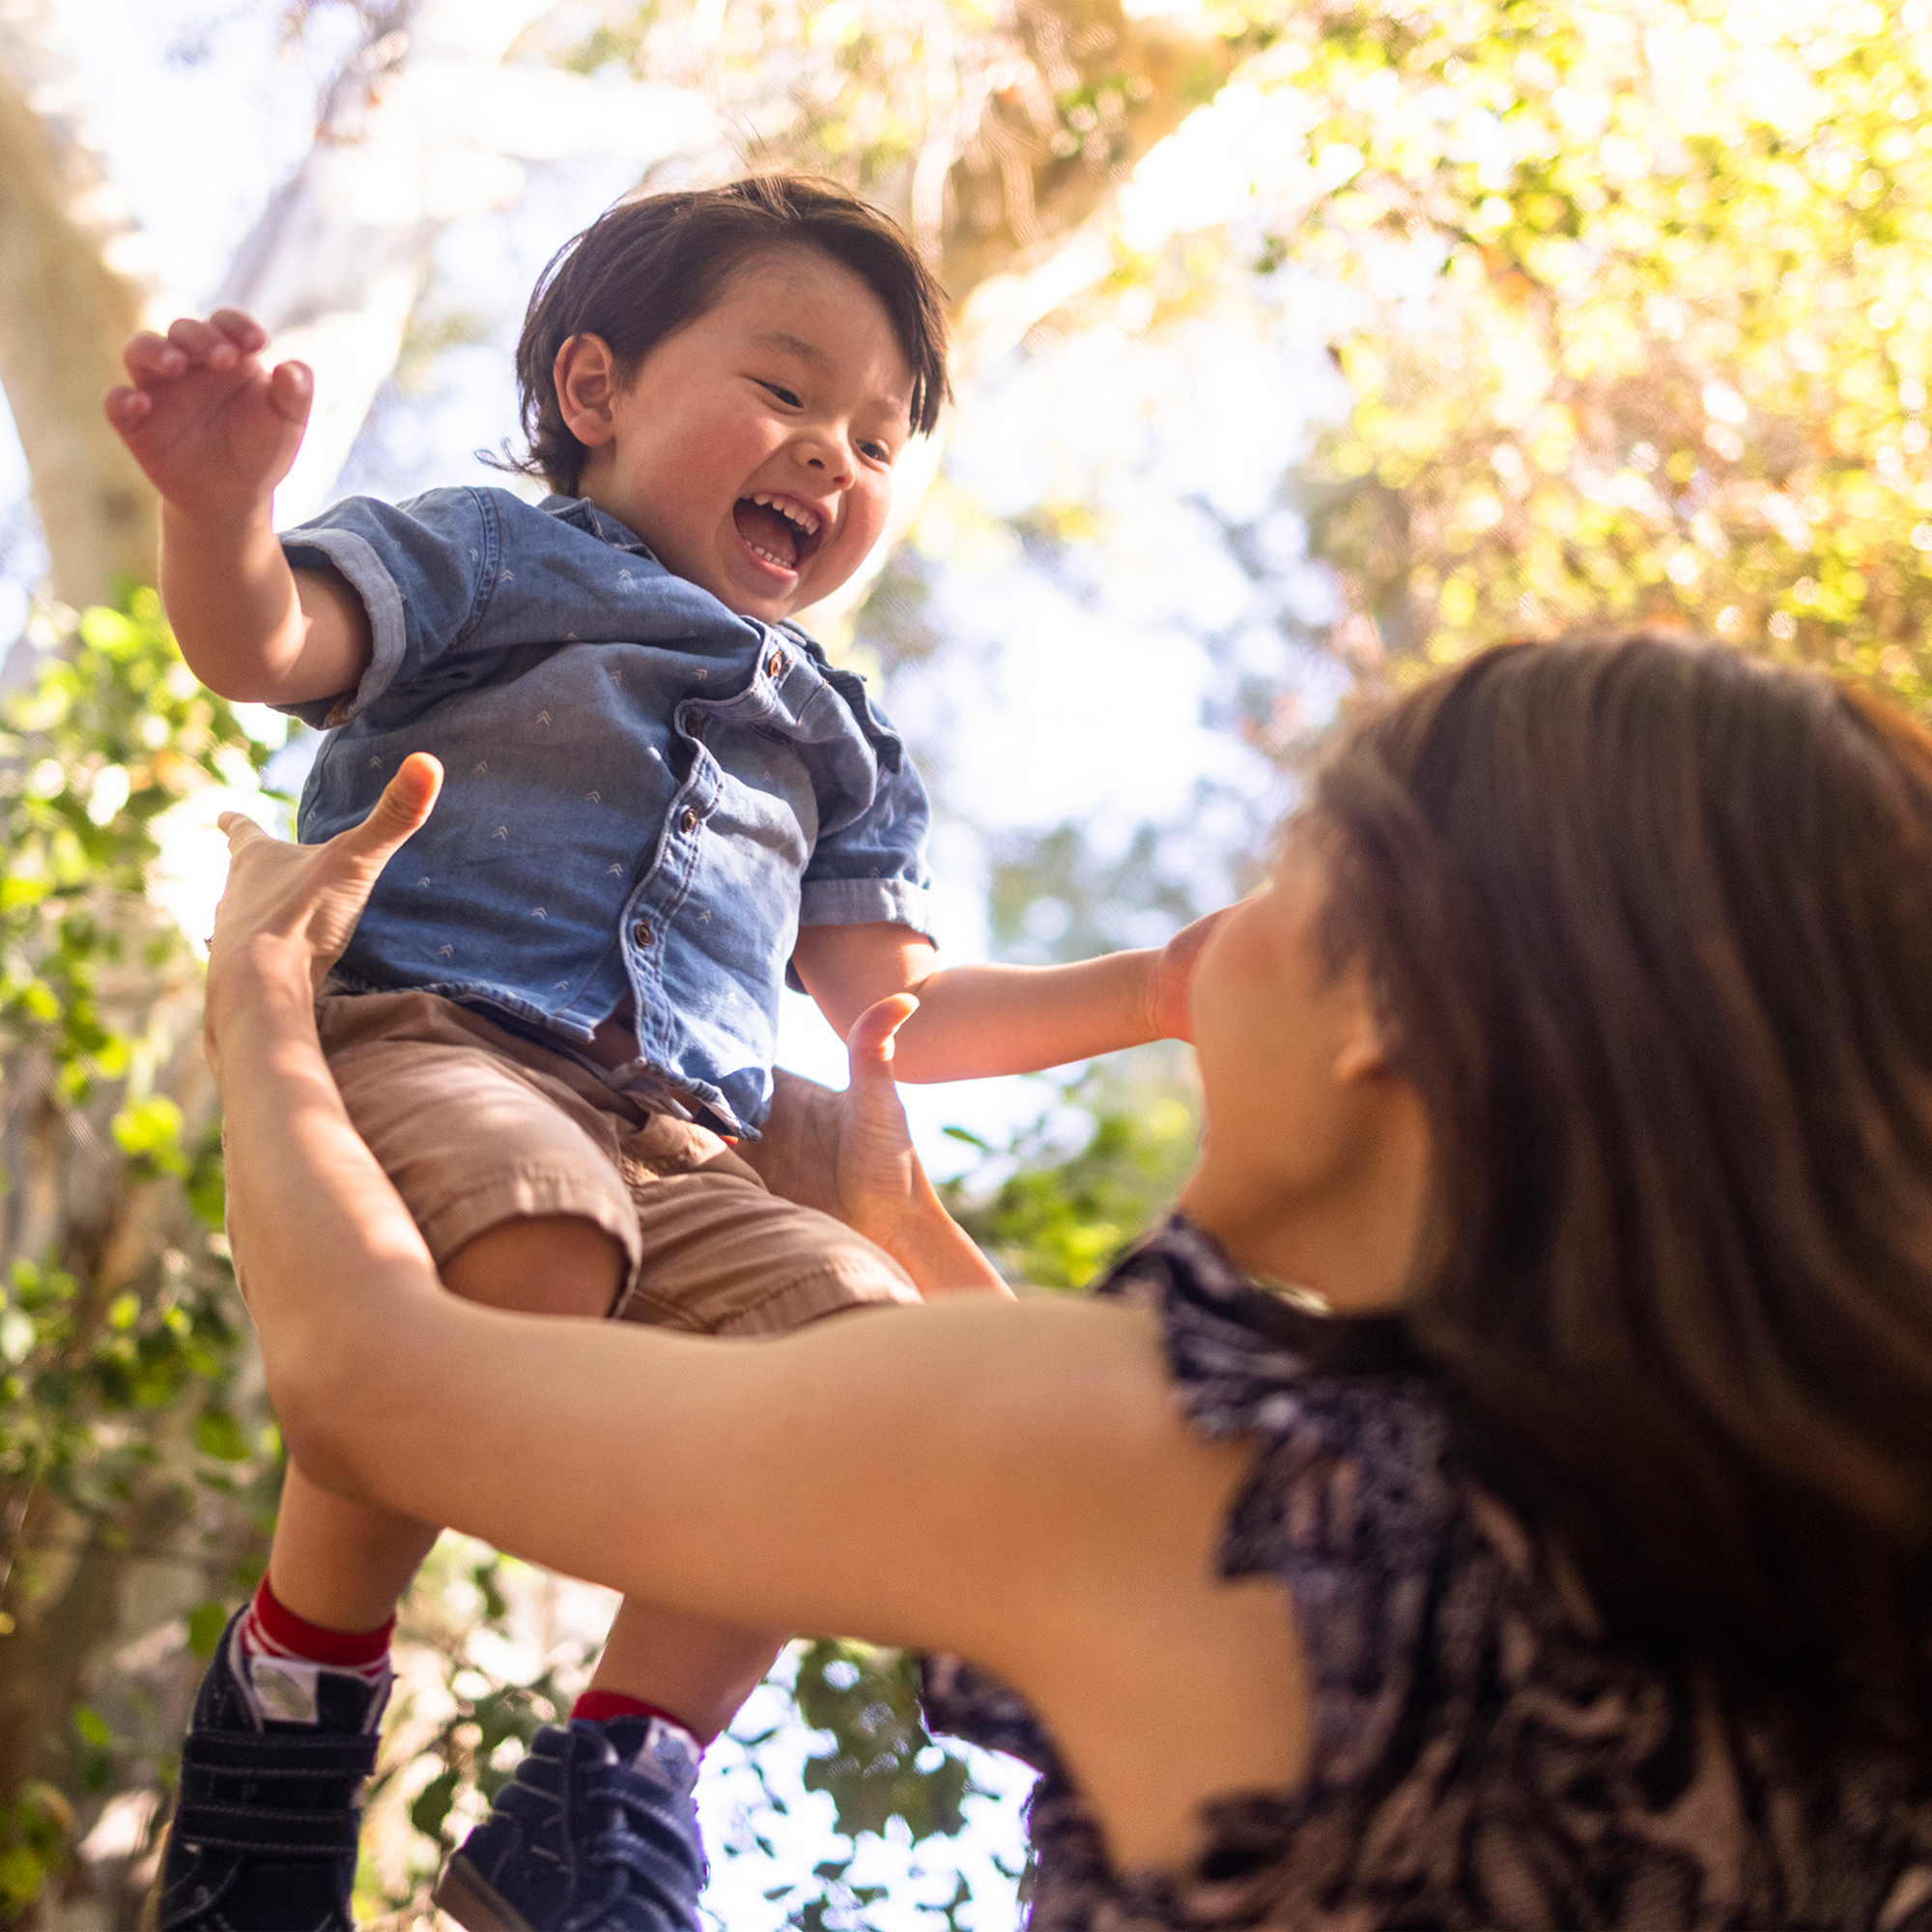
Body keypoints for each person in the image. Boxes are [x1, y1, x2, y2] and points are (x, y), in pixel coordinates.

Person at [202, 634, 1932, 1931]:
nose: (1211, 953)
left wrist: (266, 996)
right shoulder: (1821, 1604)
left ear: (1390, 1007)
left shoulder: (1222, 1481)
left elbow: (378, 1383)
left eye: (1283, 876)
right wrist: (905, 1227)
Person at [103, 177, 1218, 1932]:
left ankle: (615, 1777)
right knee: (533, 1239)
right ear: (596, 392)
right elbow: (271, 642)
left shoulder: (838, 738)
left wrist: (1148, 988)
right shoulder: (492, 552)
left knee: (876, 1366)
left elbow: (893, 1026)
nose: (832, 454)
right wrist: (224, 511)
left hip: (687, 1140)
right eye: (786, 391)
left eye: (874, 434)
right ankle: (297, 1692)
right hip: (435, 1036)